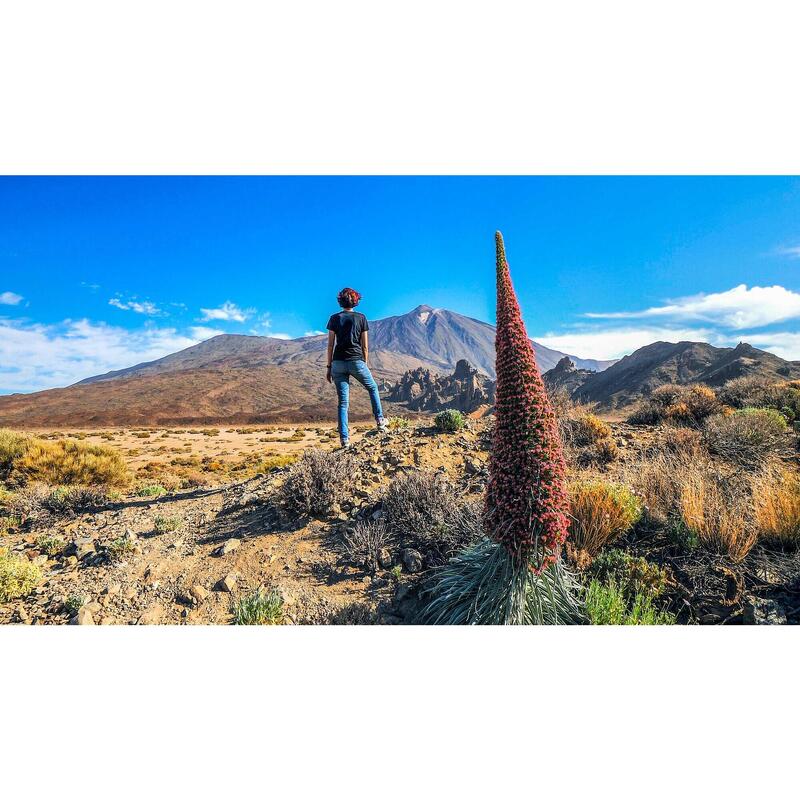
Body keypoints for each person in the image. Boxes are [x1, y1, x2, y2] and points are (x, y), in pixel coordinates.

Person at [326, 287, 387, 447]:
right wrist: (364, 364)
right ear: (355, 300)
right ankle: (380, 421)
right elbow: (365, 346)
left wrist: (329, 367)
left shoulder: (334, 318)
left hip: (337, 362)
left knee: (343, 403)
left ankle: (344, 440)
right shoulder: (361, 318)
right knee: (373, 388)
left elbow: (330, 345)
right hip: (356, 360)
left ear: (340, 300)